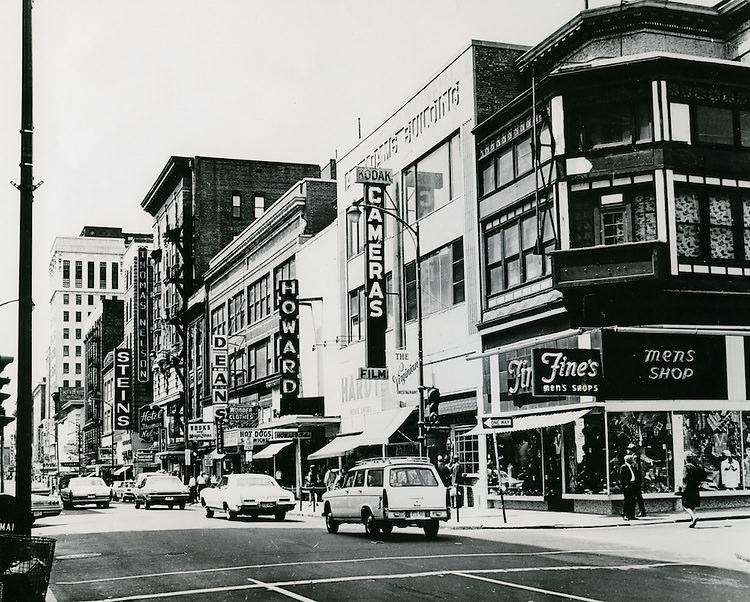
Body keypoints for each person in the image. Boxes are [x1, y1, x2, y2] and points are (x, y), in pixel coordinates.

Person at [680, 453, 706, 528]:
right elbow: (702, 476)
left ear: (686, 459)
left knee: (685, 504)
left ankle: (694, 516)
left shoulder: (687, 467)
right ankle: (692, 522)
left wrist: (682, 484)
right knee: (692, 505)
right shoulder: (696, 467)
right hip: (695, 487)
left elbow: (685, 477)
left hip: (688, 487)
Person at [627, 443, 647, 517]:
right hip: (637, 479)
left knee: (636, 496)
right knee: (638, 496)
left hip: (636, 480)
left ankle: (641, 511)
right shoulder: (636, 456)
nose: (628, 451)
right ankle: (642, 510)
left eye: (629, 449)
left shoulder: (634, 457)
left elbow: (635, 468)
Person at [619, 454, 638, 521]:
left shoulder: (632, 467)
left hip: (633, 485)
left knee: (633, 500)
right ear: (628, 460)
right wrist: (625, 485)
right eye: (631, 459)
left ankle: (632, 515)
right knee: (627, 501)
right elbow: (622, 477)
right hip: (627, 486)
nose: (632, 460)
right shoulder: (623, 467)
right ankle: (625, 514)